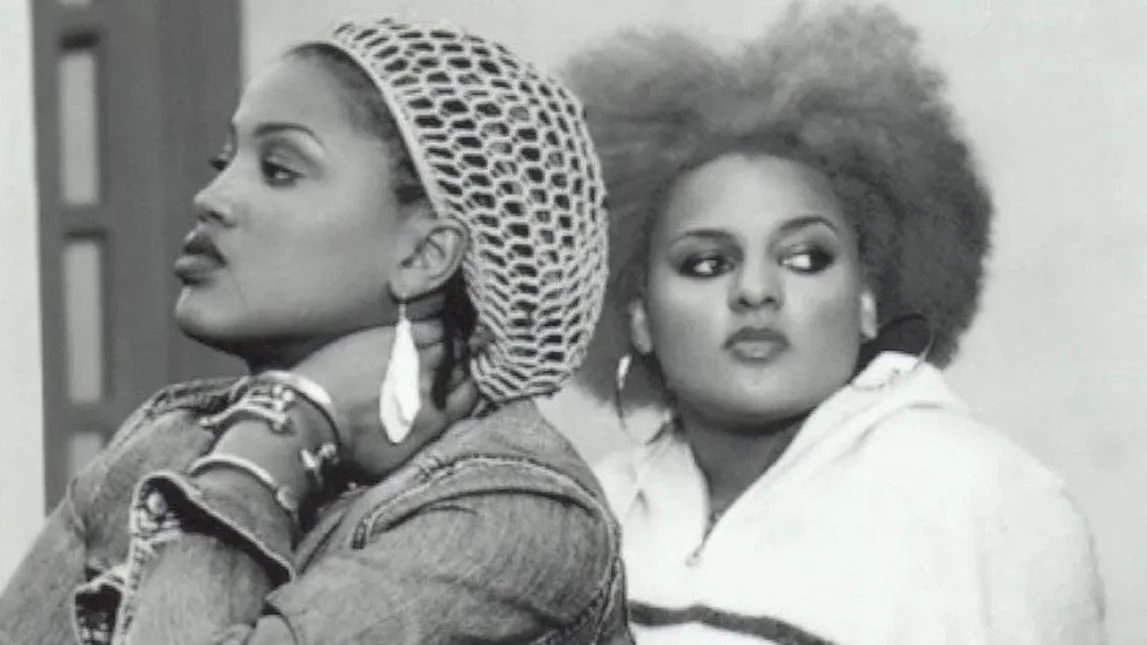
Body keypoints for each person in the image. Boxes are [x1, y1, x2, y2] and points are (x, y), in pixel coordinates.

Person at [0, 16, 632, 645]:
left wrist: (275, 439)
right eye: (224, 160)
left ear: (424, 256)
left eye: (279, 169)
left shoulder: (517, 514)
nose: (212, 196)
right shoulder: (164, 442)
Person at [562, 3, 1107, 644]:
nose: (756, 291)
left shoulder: (983, 501)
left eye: (805, 258)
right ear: (638, 317)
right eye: (707, 263)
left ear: (868, 301)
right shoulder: (584, 513)